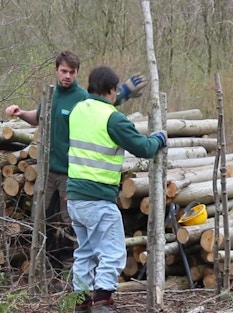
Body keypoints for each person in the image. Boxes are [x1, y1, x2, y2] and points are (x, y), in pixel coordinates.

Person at [4, 51, 147, 275]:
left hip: (71, 173)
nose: (67, 76)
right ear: (56, 70)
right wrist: (21, 113)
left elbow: (103, 105)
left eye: (72, 72)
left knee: (70, 225)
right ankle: (44, 270)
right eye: (63, 71)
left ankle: (70, 272)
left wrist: (124, 93)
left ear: (77, 73)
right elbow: (40, 116)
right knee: (41, 220)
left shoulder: (82, 97)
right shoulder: (49, 95)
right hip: (45, 170)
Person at [67, 65, 166, 313]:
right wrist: (160, 138)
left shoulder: (79, 109)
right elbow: (144, 147)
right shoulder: (114, 119)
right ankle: (102, 301)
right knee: (112, 251)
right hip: (98, 199)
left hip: (75, 199)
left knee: (85, 252)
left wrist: (123, 93)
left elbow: (99, 105)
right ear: (112, 89)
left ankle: (80, 302)